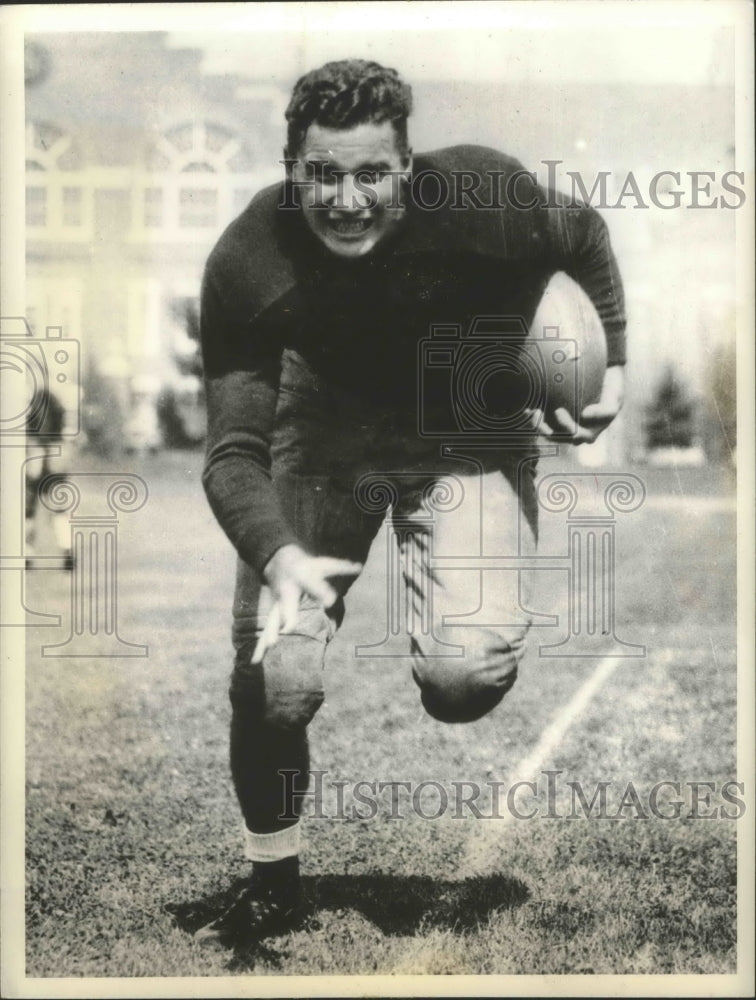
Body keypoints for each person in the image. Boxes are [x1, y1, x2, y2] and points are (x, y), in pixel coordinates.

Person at [197, 59, 626, 945]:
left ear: (408, 164)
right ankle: (273, 881)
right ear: (291, 169)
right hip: (322, 435)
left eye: (371, 173)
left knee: (462, 681)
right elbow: (235, 450)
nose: (347, 199)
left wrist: (609, 360)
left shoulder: (480, 198)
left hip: (465, 416)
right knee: (272, 679)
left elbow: (581, 231)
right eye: (323, 174)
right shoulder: (249, 261)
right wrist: (279, 555)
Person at [25, 385, 74, 570]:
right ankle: (67, 550)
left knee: (28, 511)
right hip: (55, 456)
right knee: (59, 510)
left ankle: (27, 553)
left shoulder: (34, 402)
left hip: (35, 457)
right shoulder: (55, 402)